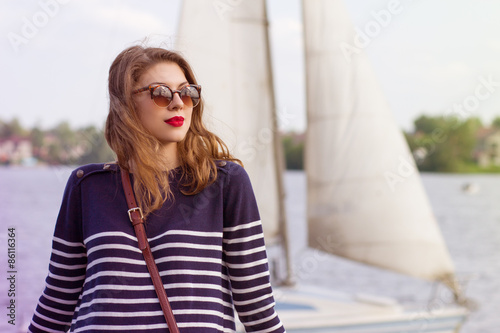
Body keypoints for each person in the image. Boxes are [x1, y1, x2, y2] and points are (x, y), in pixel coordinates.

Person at [29, 45, 286, 333]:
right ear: (126, 103)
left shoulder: (225, 182)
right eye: (161, 93)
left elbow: (257, 309)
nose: (178, 103)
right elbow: (57, 303)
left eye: (187, 92)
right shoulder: (86, 187)